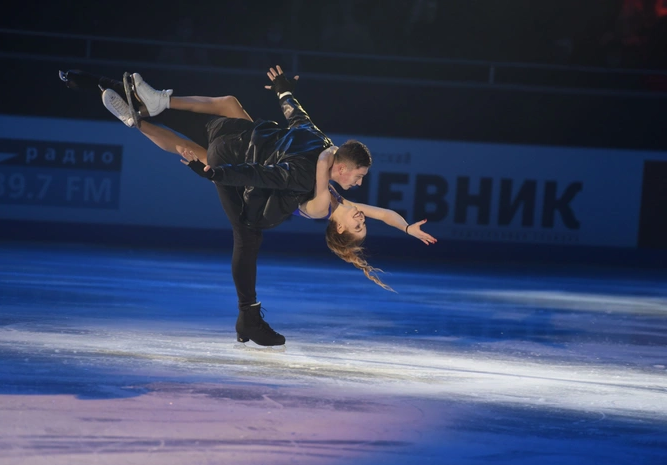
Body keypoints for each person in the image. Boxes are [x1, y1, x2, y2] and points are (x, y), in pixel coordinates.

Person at [59, 67, 436, 346]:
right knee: (227, 122)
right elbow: (381, 211)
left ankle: (136, 114)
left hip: (249, 168)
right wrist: (406, 227)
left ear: (338, 230)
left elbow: (300, 158)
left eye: (357, 225)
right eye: (361, 219)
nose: (360, 210)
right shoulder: (335, 196)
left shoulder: (323, 202)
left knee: (222, 122)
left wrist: (317, 136)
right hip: (250, 165)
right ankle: (145, 112)